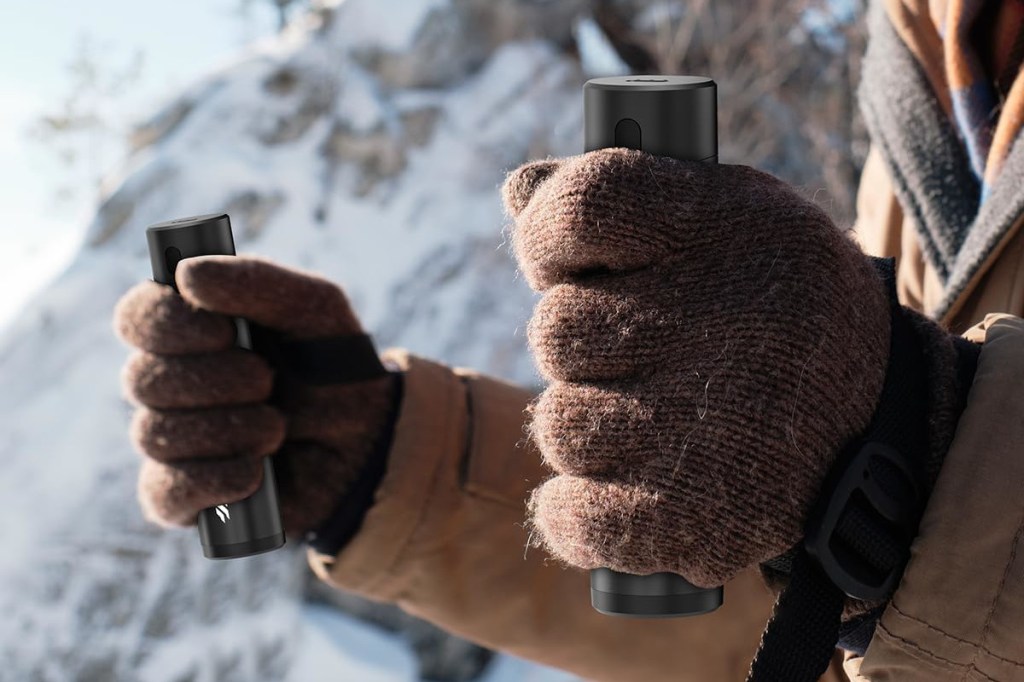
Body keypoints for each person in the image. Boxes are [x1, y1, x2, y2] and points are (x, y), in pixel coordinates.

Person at [112, 1, 1024, 680]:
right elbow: (840, 628)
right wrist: (387, 466)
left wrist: (924, 451)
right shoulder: (924, 50)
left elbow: (922, 557)